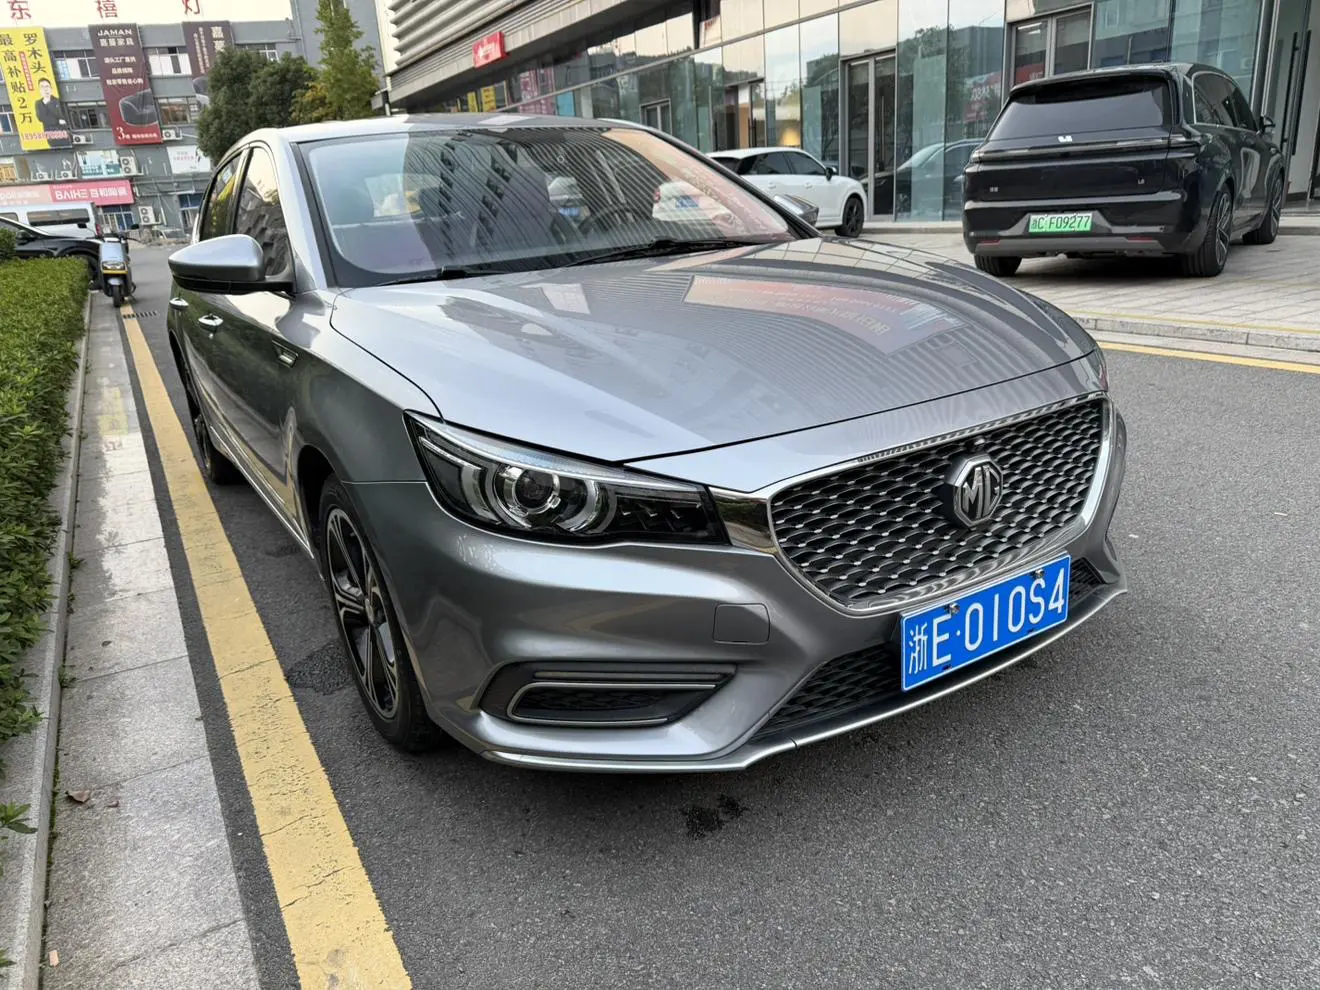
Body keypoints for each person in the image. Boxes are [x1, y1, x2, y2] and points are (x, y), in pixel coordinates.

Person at [34, 78, 72, 148]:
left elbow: (64, 116)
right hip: (50, 134)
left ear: (51, 88)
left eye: (47, 86)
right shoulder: (38, 103)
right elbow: (41, 117)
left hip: (62, 133)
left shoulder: (58, 101)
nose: (45, 89)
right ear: (39, 90)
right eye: (42, 87)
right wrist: (57, 121)